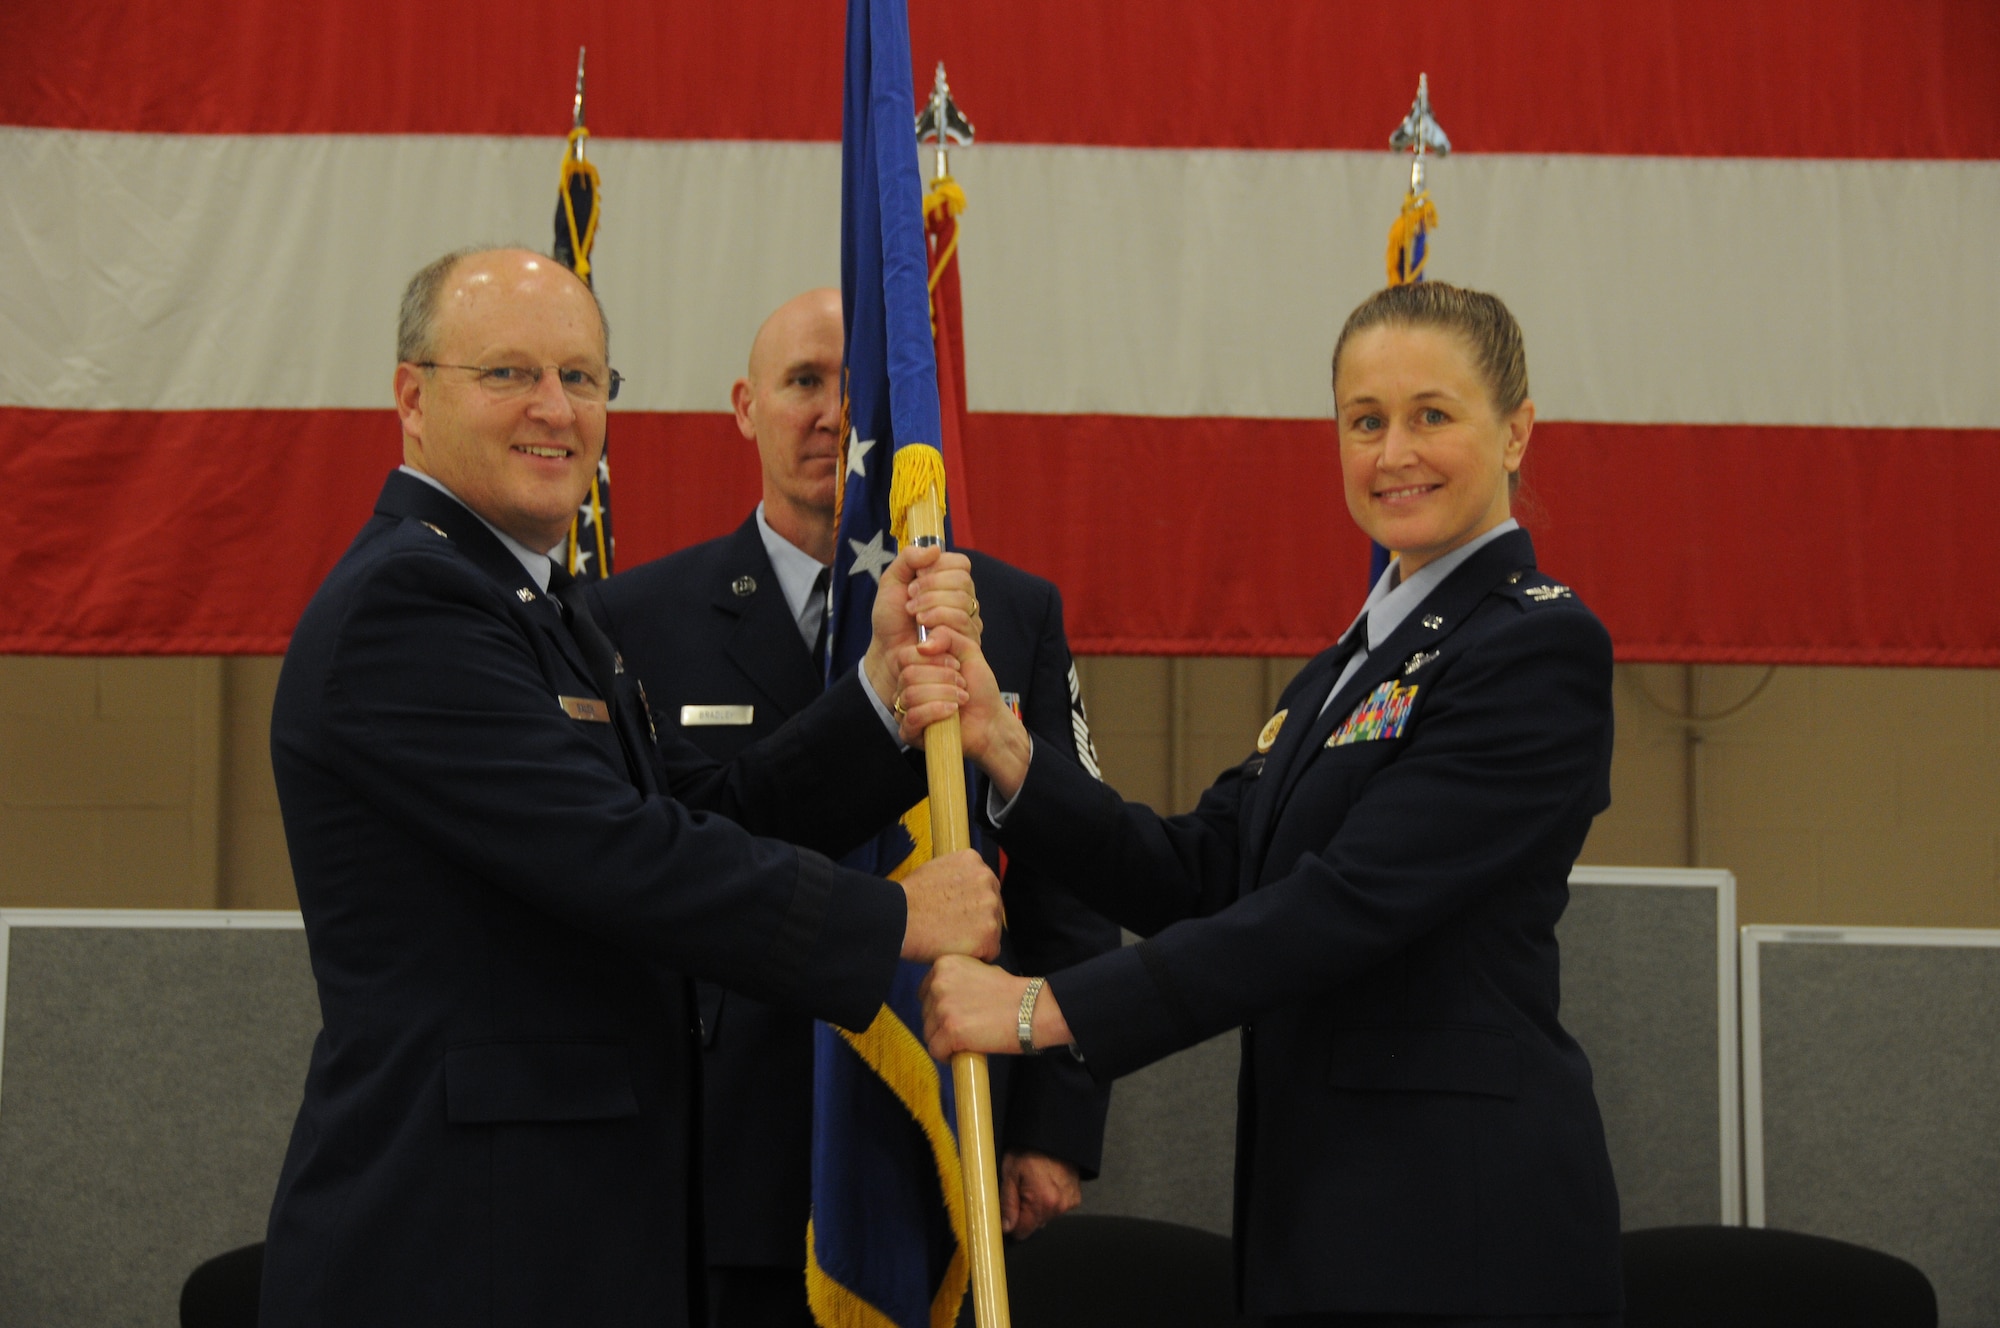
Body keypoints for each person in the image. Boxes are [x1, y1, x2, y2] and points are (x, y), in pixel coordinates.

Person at [261, 248, 1003, 1328]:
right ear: (412, 398)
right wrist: (889, 912)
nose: (555, 409)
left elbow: (689, 813)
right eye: (509, 373)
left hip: (566, 1224)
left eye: (582, 376)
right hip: (463, 1241)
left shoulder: (534, 602)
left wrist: (880, 696)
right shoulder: (410, 604)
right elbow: (617, 855)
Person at [912, 282, 1624, 1326]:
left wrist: (1039, 1011)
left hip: (1461, 1229)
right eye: (1364, 421)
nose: (1394, 453)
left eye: (1432, 414)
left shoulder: (1534, 646)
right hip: (1322, 1213)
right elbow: (1204, 869)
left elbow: (1338, 909)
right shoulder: (1352, 660)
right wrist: (1006, 748)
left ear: (1515, 429)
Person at [588, 288, 1119, 1328]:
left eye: (857, 388)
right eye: (802, 383)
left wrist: (1056, 1120)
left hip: (946, 1139)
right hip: (722, 1157)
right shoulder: (633, 616)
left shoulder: (1003, 610)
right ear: (744, 406)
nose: (834, 413)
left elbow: (1068, 877)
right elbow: (659, 870)